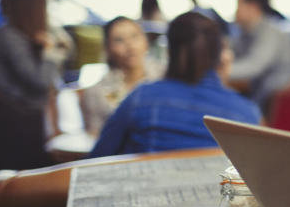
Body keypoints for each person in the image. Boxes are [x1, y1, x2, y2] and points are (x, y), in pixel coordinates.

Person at [89, 11, 259, 157]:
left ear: (169, 52)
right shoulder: (247, 114)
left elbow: (98, 159)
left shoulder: (140, 99)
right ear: (219, 55)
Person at [0, 0, 69, 113]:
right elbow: (42, 82)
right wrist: (50, 51)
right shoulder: (9, 37)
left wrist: (57, 40)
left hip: (21, 108)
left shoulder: (19, 33)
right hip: (14, 112)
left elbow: (66, 45)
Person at [80, 16, 162, 136]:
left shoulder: (166, 77)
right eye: (119, 40)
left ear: (145, 41)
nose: (130, 46)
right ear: (108, 48)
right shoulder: (95, 93)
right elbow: (95, 137)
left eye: (134, 36)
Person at [229, 0, 290, 114]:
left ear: (253, 7)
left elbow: (254, 66)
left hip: (278, 103)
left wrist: (218, 71)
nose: (234, 11)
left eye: (238, 4)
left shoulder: (269, 31)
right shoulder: (246, 31)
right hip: (262, 96)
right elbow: (233, 50)